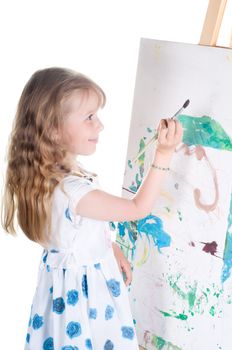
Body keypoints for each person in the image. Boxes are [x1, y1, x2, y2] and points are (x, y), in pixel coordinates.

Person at [1, 67, 183, 350]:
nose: (99, 125)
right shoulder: (74, 192)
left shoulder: (49, 177)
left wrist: (108, 247)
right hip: (86, 302)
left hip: (63, 296)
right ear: (53, 127)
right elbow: (137, 208)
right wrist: (163, 154)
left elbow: (71, 234)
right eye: (89, 117)